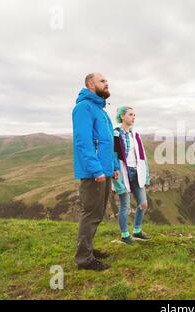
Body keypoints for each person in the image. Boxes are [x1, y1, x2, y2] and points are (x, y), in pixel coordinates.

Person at [72, 72, 119, 271]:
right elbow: (83, 142)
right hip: (94, 173)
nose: (107, 84)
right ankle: (84, 259)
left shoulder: (101, 110)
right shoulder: (83, 108)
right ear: (91, 84)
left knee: (97, 213)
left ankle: (88, 249)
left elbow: (109, 142)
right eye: (103, 81)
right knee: (90, 213)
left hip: (105, 170)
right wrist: (96, 169)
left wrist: (114, 166)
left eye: (107, 81)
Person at [112, 106, 151, 244]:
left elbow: (142, 157)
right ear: (122, 116)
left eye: (134, 115)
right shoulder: (115, 134)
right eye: (130, 114)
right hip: (123, 173)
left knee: (143, 204)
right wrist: (116, 176)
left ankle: (137, 230)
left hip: (137, 172)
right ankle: (124, 234)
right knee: (125, 207)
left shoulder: (135, 135)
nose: (133, 117)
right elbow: (113, 155)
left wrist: (146, 175)